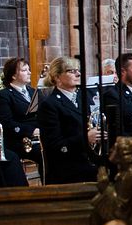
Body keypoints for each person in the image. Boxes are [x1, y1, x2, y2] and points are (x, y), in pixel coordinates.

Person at [38, 56, 102, 184]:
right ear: (57, 77)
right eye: (71, 71)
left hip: (91, 158)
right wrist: (86, 138)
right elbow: (55, 146)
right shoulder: (50, 105)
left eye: (77, 70)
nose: (78, 74)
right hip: (69, 165)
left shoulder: (85, 98)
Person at [0, 57, 42, 177]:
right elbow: (6, 123)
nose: (29, 72)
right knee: (45, 152)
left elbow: (42, 114)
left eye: (28, 69)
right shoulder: (3, 95)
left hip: (39, 136)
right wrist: (32, 131)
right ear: (13, 75)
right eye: (24, 70)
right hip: (18, 140)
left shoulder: (33, 91)